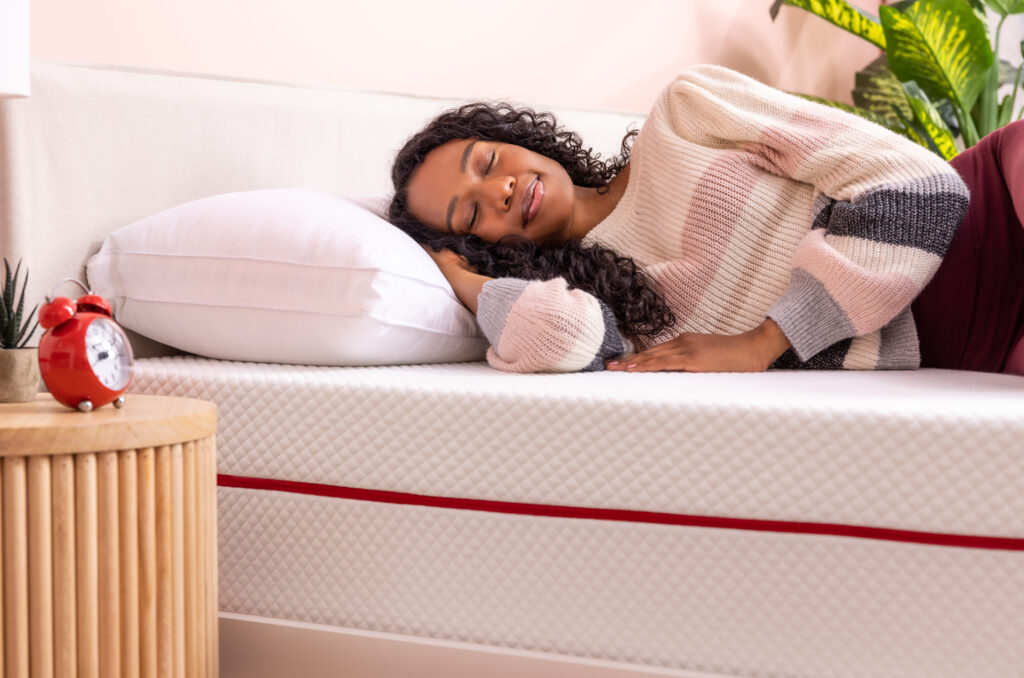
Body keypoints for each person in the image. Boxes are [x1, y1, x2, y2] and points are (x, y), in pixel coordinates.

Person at [387, 64, 1024, 376]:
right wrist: (461, 280)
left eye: (489, 159)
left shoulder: (687, 112)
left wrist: (762, 342)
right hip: (975, 345)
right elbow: (558, 338)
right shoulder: (595, 305)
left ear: (518, 138)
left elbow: (921, 187)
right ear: (476, 245)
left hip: (990, 211)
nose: (499, 188)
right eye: (471, 212)